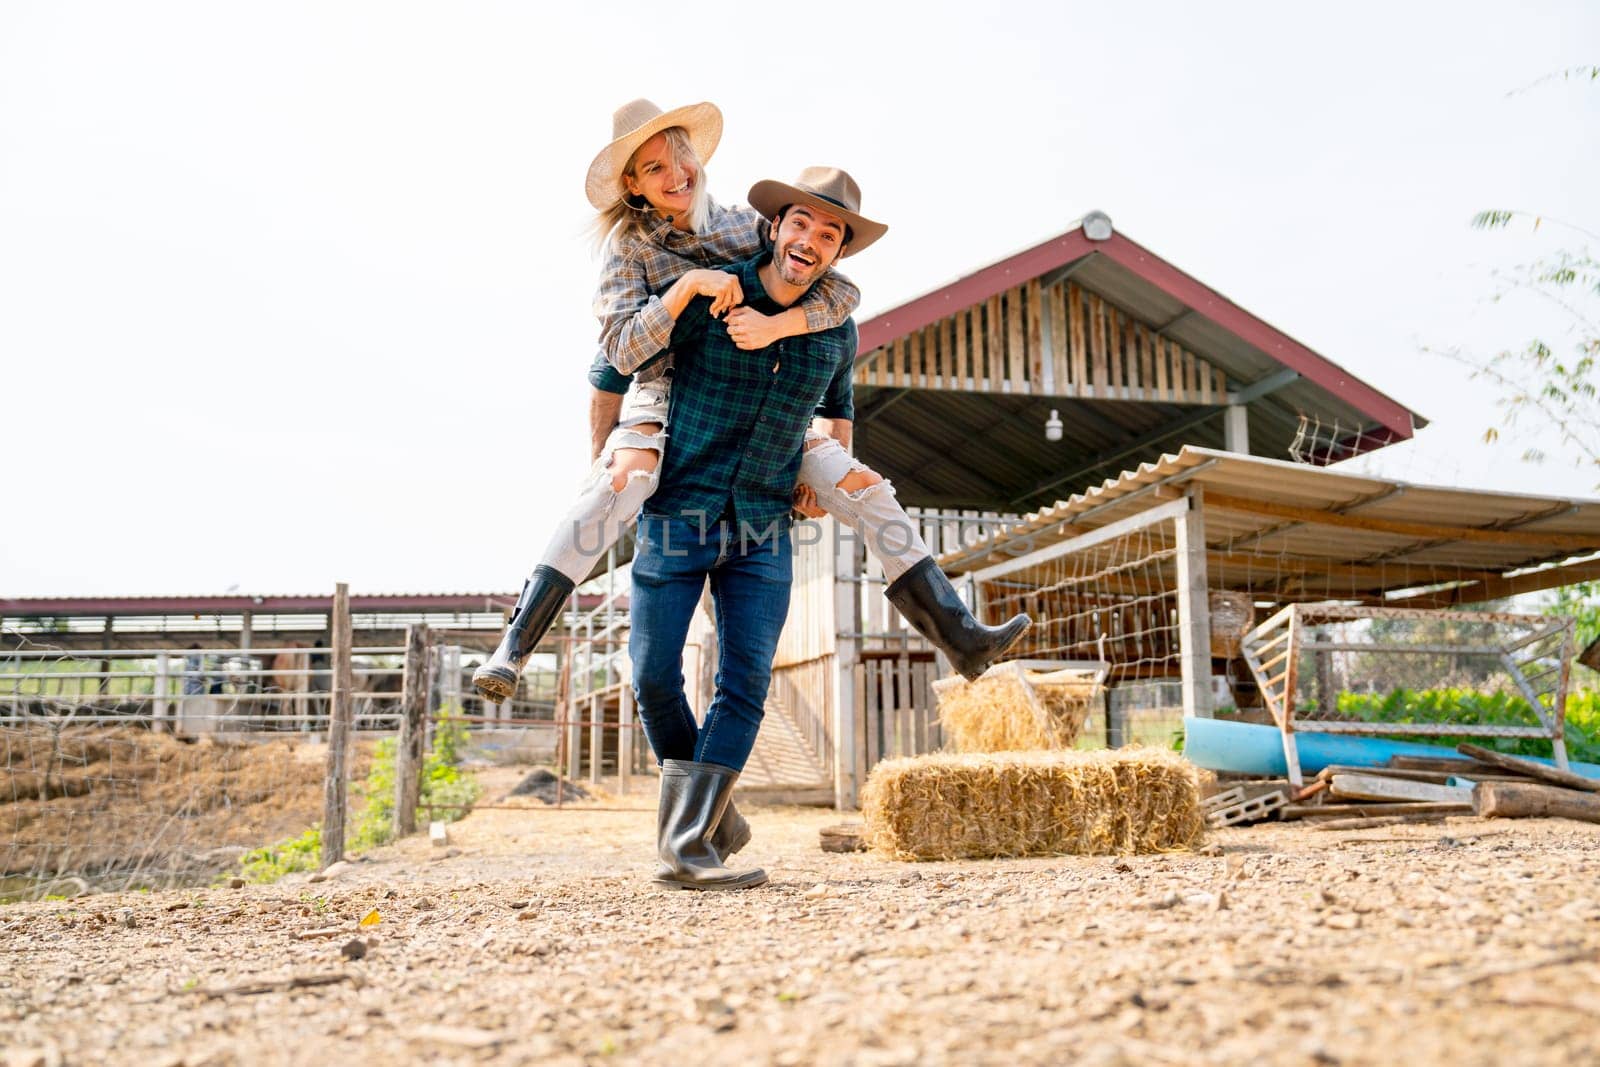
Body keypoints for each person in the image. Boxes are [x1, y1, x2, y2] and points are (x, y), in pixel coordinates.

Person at [473, 100, 1029, 713]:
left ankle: (961, 636)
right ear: (632, 184)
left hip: (770, 405)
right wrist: (685, 291)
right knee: (619, 484)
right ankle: (516, 644)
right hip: (667, 393)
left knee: (868, 487)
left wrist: (781, 325)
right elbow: (618, 355)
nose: (675, 173)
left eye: (679, 154)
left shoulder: (741, 225)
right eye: (654, 167)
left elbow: (836, 288)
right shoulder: (628, 254)